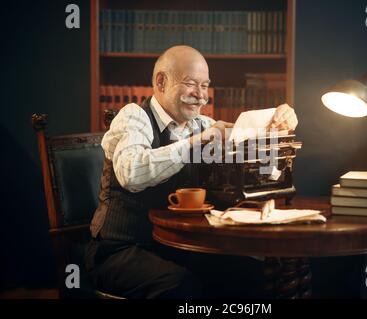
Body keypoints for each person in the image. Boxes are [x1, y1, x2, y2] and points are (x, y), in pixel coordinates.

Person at [85, 45, 299, 299]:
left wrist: (277, 125)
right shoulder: (133, 117)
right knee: (182, 287)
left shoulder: (202, 125)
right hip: (120, 250)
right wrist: (198, 142)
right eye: (191, 84)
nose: (201, 96)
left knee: (250, 274)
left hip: (176, 247)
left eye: (205, 86)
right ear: (161, 82)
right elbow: (131, 173)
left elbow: (244, 142)